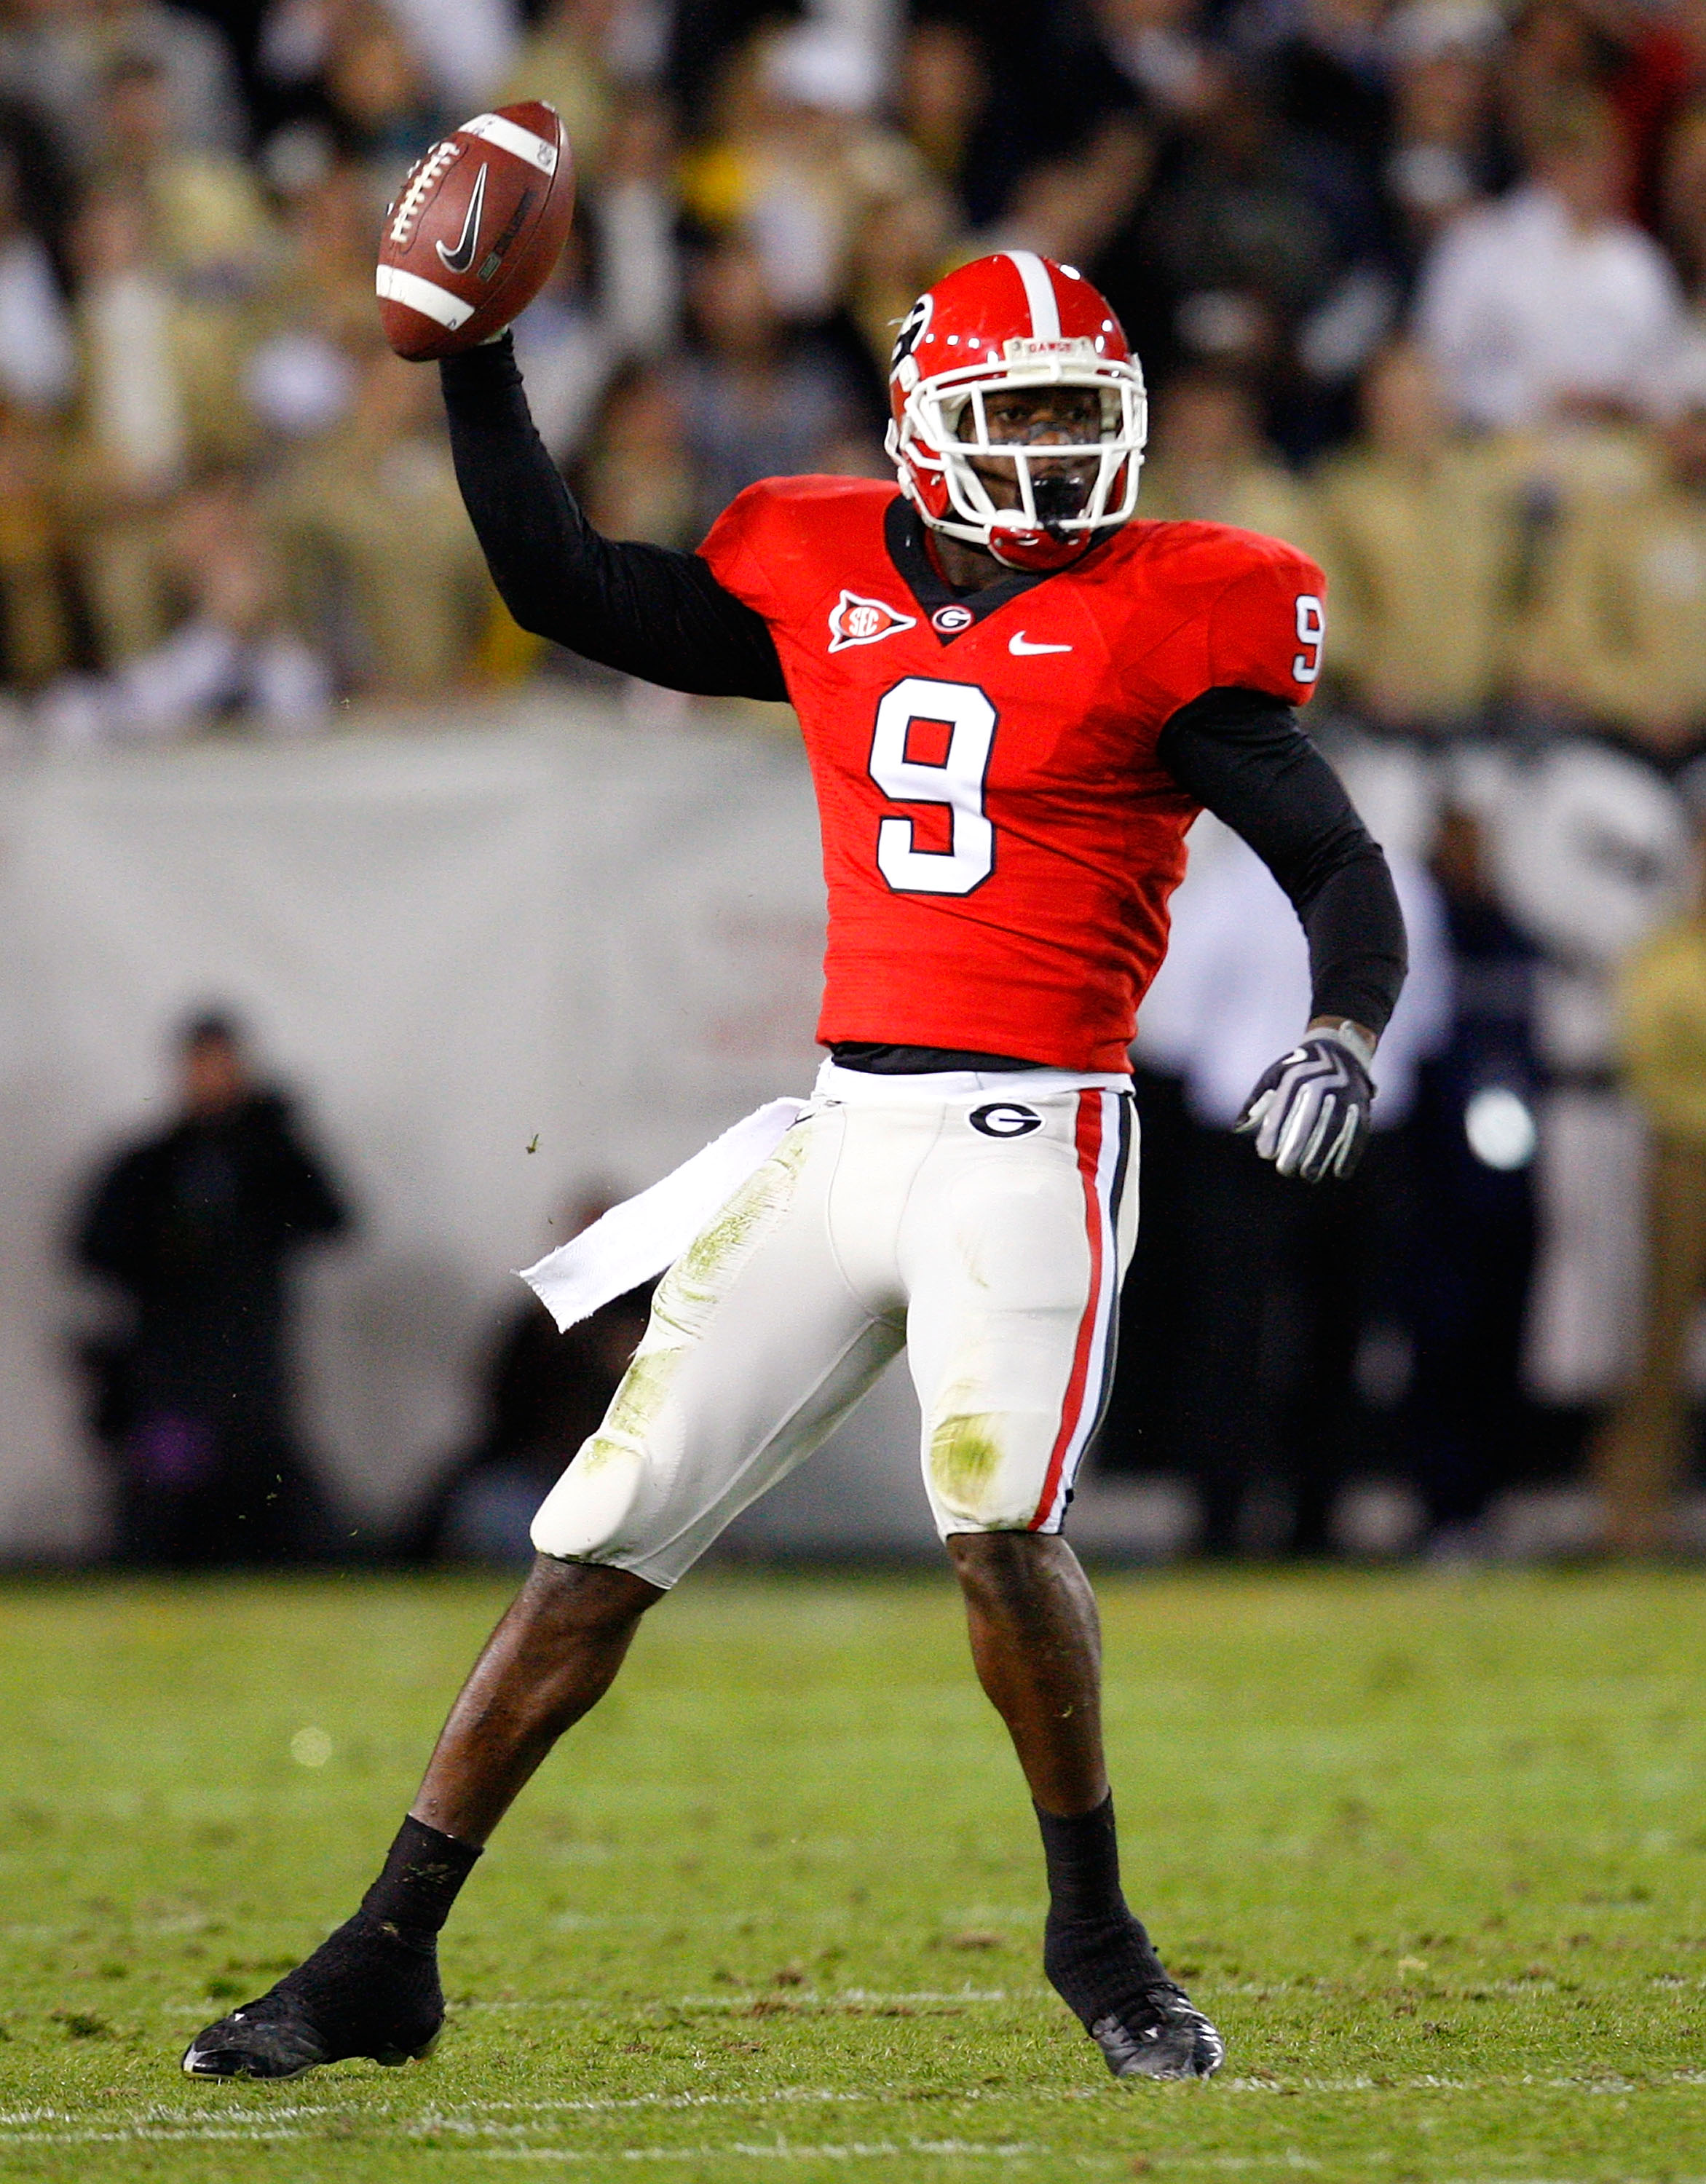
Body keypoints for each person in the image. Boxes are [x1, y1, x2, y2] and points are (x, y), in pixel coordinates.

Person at [183, 250, 1407, 2085]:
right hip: (837, 1133)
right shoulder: (818, 567)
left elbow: (1333, 861)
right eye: (1023, 420)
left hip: (1032, 1133)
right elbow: (560, 583)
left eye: (1085, 419)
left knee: (996, 1520)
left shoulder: (1170, 613)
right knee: (587, 1544)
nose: (1062, 460)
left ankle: (1098, 1938)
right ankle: (383, 1951)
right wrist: (477, 358)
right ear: (923, 429)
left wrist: (1341, 1024)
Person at [74, 1009, 349, 1566]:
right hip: (172, 1364)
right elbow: (95, 1247)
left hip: (249, 1360)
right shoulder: (153, 1162)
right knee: (167, 1488)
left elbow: (330, 1219)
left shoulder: (268, 1154)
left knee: (258, 1488)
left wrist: (270, 1145)